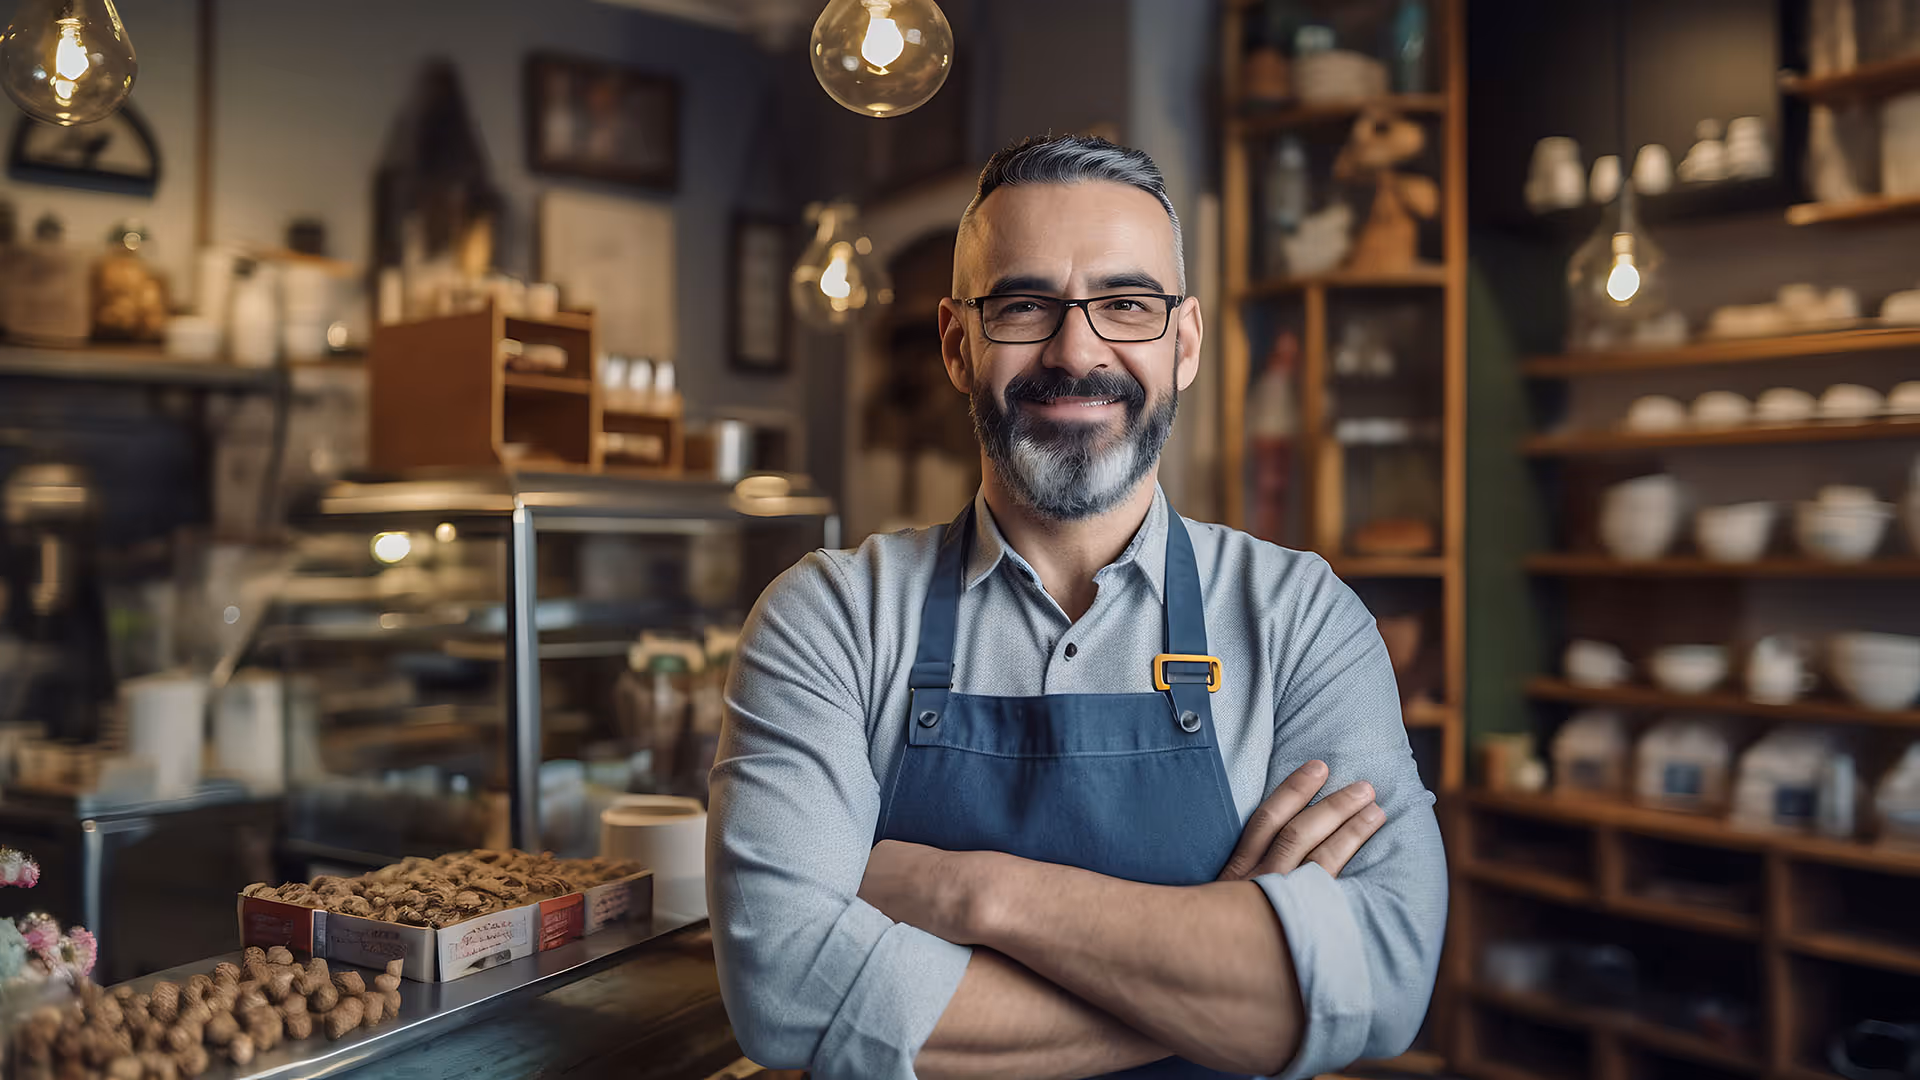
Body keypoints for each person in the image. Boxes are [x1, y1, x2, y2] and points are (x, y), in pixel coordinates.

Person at [707, 134, 1447, 1080]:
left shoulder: (1300, 617)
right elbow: (786, 993)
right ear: (956, 344)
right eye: (1024, 306)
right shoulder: (830, 619)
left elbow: (1386, 977)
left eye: (1127, 305)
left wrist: (970, 894)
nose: (1076, 352)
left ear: (1183, 346)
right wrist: (1237, 984)